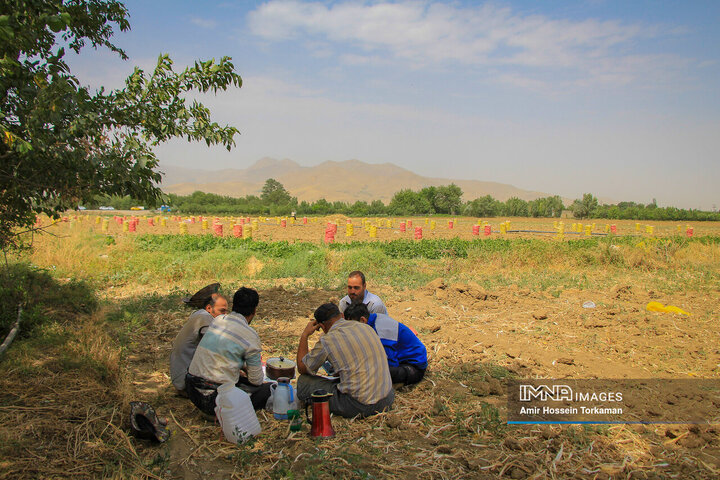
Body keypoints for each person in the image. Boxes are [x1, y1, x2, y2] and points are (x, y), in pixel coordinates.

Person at [296, 303, 394, 418]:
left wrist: (304, 335)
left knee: (303, 382)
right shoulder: (366, 327)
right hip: (387, 399)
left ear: (322, 326)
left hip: (359, 405)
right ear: (342, 315)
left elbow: (303, 368)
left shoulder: (327, 340)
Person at [185, 287, 272, 416]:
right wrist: (248, 370)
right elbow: (256, 380)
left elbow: (223, 355)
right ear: (254, 310)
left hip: (192, 389)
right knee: (268, 389)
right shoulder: (250, 336)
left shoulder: (217, 321)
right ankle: (220, 413)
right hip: (215, 399)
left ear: (233, 306)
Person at [344, 303, 427, 386]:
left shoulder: (382, 331)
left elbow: (391, 363)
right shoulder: (372, 320)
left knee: (374, 373)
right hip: (400, 358)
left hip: (413, 367)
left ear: (362, 320)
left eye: (352, 326)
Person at [169, 289, 228, 393]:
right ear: (209, 308)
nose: (225, 315)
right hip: (186, 381)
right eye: (222, 311)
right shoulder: (204, 318)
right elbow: (219, 348)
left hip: (182, 376)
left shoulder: (199, 314)